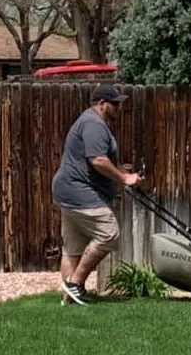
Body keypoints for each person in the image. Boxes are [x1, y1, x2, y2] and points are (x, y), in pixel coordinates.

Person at [51, 83, 143, 305]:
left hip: (68, 191)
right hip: (79, 191)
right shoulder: (94, 124)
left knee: (73, 248)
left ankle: (69, 301)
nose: (119, 108)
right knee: (109, 234)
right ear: (102, 103)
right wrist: (124, 179)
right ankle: (76, 284)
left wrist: (125, 173)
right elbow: (98, 160)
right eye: (115, 104)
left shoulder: (89, 121)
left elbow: (103, 159)